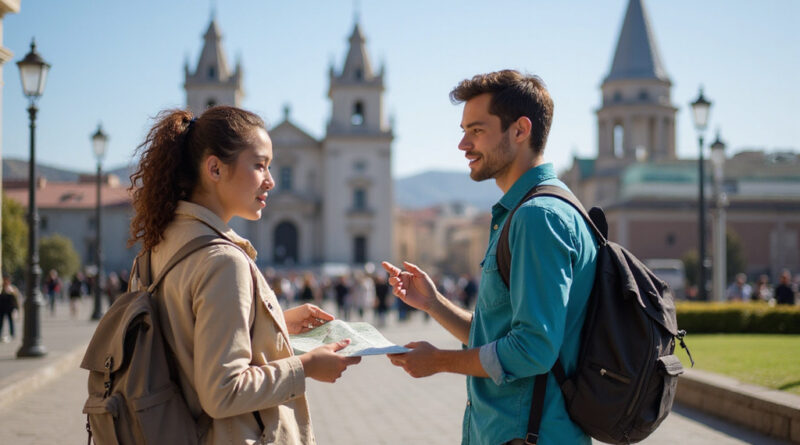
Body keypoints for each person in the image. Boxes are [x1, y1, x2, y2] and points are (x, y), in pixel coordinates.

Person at [383, 70, 598, 444]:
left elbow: (532, 350)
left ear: (520, 130)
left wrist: (440, 361)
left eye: (477, 130)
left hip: (529, 434)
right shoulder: (534, 208)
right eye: (463, 130)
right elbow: (501, 336)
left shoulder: (537, 216)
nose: (463, 144)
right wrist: (434, 304)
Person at [128, 106, 360, 444]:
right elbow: (223, 391)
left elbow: (187, 342)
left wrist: (271, 323)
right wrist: (306, 366)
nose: (271, 181)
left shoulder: (159, 245)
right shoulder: (223, 261)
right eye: (259, 165)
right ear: (215, 169)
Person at [0, 273, 21, 342]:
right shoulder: (1, 288)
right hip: (2, 308)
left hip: (9, 308)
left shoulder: (12, 288)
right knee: (1, 322)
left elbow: (16, 299)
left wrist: (17, 309)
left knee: (11, 321)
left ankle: (12, 334)